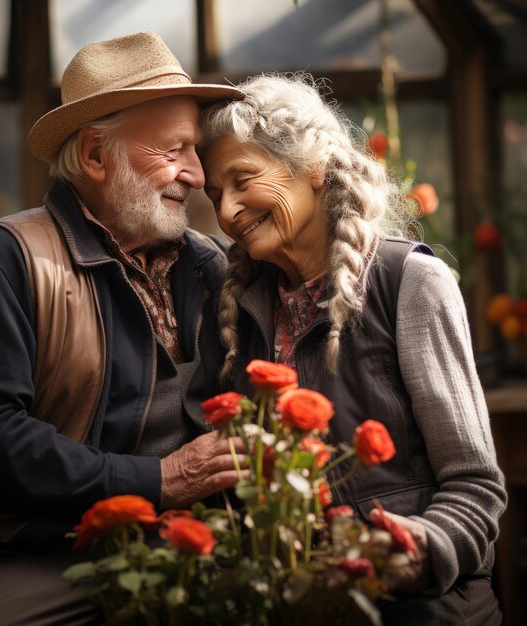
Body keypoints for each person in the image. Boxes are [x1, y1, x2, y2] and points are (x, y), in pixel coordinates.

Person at [0, 32, 247, 625]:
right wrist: (158, 480)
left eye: (196, 150)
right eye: (174, 150)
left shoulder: (209, 264)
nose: (198, 175)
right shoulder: (10, 257)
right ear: (97, 155)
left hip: (196, 535)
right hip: (43, 548)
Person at [199, 73, 507, 625]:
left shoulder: (408, 282)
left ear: (312, 165)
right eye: (215, 195)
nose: (225, 213)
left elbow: (476, 487)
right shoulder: (239, 311)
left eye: (242, 179)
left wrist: (415, 548)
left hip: (420, 608)